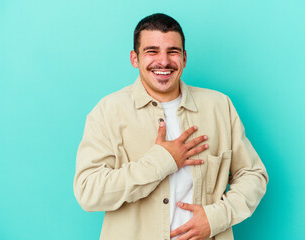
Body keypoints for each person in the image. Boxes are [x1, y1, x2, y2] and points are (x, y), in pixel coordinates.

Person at [74, 13, 268, 240]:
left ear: (184, 58)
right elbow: (88, 192)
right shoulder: (107, 112)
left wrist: (217, 217)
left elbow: (253, 174)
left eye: (173, 52)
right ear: (134, 59)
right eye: (152, 51)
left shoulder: (219, 106)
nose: (164, 61)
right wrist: (162, 161)